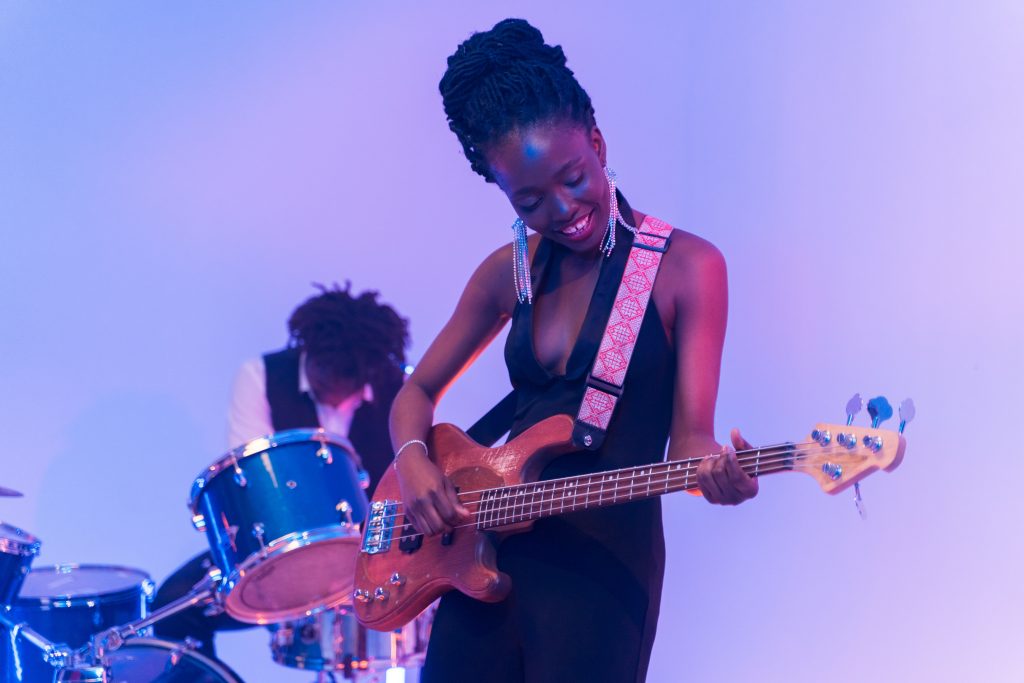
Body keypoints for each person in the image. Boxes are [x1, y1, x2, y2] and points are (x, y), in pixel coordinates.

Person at [388, 19, 759, 683]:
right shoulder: (507, 272)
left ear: (597, 141)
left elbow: (693, 441)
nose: (563, 209)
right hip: (483, 558)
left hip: (601, 573)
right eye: (530, 199)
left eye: (573, 177)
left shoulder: (687, 267)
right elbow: (415, 393)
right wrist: (414, 461)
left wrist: (721, 473)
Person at [152, 284, 410, 658]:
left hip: (375, 554)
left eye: (349, 381)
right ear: (307, 352)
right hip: (282, 555)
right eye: (327, 376)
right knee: (173, 606)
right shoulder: (260, 376)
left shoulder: (397, 387)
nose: (337, 391)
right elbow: (255, 492)